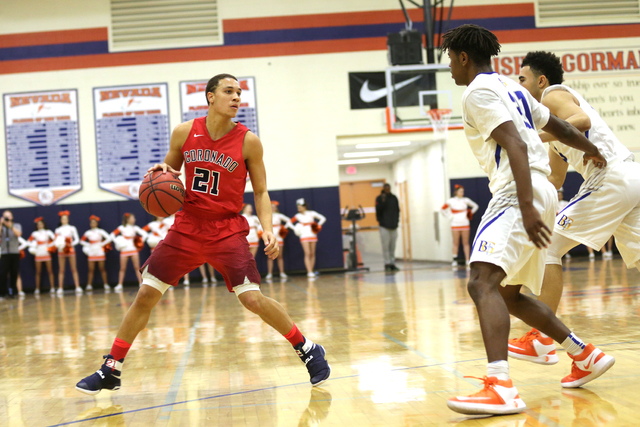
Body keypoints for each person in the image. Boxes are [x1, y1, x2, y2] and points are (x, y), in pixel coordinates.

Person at [76, 73, 330, 395]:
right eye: (229, 91)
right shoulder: (184, 132)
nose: (237, 97)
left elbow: (262, 191)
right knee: (145, 294)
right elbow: (168, 172)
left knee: (252, 298)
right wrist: (161, 172)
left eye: (239, 92)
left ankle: (307, 348)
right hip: (187, 226)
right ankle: (112, 367)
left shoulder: (248, 141)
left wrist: (268, 230)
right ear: (210, 96)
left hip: (225, 230)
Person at [441, 25, 613, 416]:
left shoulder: (478, 92)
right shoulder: (513, 88)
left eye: (451, 59)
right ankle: (583, 353)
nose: (450, 67)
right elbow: (561, 127)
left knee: (481, 282)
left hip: (519, 193)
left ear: (464, 58)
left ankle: (500, 385)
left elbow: (516, 144)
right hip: (543, 192)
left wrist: (525, 204)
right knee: (507, 294)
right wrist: (592, 149)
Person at [508, 50, 640, 363]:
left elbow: (581, 121)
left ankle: (541, 338)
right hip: (629, 178)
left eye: (522, 79)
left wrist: (529, 138)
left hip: (611, 177)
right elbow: (555, 177)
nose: (518, 84)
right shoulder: (552, 125)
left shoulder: (552, 94)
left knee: (548, 248)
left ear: (540, 81)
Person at [440, 184, 479, 268]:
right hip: (455, 224)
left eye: (463, 191)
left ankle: (468, 260)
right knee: (455, 243)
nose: (462, 193)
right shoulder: (451, 201)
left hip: (465, 224)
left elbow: (475, 206)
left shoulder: (466, 200)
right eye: (460, 191)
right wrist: (449, 216)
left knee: (466, 243)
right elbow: (442, 209)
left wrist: (470, 213)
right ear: (456, 192)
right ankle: (455, 260)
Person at [111, 213, 148, 292]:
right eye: (133, 218)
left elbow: (145, 234)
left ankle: (140, 283)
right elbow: (112, 235)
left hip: (133, 250)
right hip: (124, 250)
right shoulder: (121, 228)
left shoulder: (135, 228)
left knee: (137, 267)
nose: (134, 219)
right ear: (128, 219)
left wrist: (140, 243)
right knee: (122, 268)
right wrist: (117, 242)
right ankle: (120, 284)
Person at [291, 198, 327, 278]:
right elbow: (289, 223)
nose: (299, 208)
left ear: (304, 206)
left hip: (312, 234)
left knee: (312, 253)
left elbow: (323, 218)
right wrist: (296, 229)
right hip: (303, 235)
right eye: (298, 207)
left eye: (300, 206)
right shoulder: (298, 216)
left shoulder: (311, 213)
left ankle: (312, 270)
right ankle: (309, 271)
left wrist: (318, 225)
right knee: (307, 253)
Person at [80, 215, 112, 292]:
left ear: (97, 223)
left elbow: (109, 238)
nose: (93, 224)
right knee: (91, 269)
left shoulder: (100, 231)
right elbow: (81, 241)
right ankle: (89, 285)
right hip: (91, 252)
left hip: (99, 252)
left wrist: (102, 244)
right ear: (90, 224)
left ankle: (105, 284)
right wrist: (88, 245)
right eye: (92, 223)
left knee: (102, 269)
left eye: (94, 223)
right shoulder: (88, 232)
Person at [54, 210, 81, 295]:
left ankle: (77, 286)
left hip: (70, 249)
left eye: (65, 218)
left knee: (74, 268)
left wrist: (70, 244)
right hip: (61, 250)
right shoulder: (58, 230)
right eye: (62, 219)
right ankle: (60, 288)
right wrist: (61, 245)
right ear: (61, 220)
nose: (64, 220)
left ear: (68, 219)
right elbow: (56, 240)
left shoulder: (72, 228)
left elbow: (77, 239)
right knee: (61, 269)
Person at [375, 183, 401, 272]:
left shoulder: (394, 198)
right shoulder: (379, 198)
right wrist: (383, 201)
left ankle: (392, 263)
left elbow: (397, 210)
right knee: (385, 246)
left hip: (394, 225)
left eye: (388, 188)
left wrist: (397, 221)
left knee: (392, 246)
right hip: (384, 226)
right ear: (383, 189)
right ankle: (387, 263)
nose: (387, 190)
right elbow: (378, 211)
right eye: (386, 189)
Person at [28, 217, 56, 295]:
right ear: (37, 226)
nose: (40, 225)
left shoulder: (48, 232)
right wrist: (34, 246)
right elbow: (28, 242)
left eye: (41, 224)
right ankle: (37, 289)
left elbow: (55, 240)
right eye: (38, 224)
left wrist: (50, 246)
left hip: (46, 253)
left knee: (50, 271)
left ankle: (52, 288)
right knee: (38, 272)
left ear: (43, 224)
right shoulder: (34, 233)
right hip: (38, 253)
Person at [266, 201, 292, 280]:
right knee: (270, 256)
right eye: (271, 206)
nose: (273, 208)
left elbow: (289, 220)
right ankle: (269, 273)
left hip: (279, 238)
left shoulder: (279, 215)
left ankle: (282, 272)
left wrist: (284, 228)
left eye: (274, 207)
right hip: (270, 238)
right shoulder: (267, 216)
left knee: (280, 255)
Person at [0, 210, 22, 299]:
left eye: (8, 216)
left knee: (14, 273)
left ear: (12, 217)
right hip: (4, 253)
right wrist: (1, 224)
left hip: (15, 253)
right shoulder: (2, 227)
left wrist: (10, 226)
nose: (7, 218)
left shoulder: (16, 225)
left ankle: (13, 292)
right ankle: (2, 293)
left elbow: (18, 234)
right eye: (5, 216)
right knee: (3, 274)